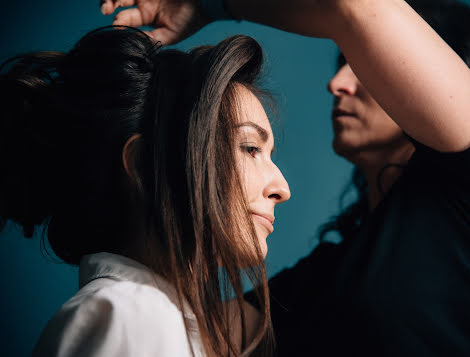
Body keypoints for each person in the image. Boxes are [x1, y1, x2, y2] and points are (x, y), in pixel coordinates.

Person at [103, 0, 470, 355]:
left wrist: (210, 4)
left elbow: (358, 7)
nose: (337, 83)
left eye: (362, 64)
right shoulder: (335, 275)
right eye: (342, 63)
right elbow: (191, 333)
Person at [0, 26, 290, 356]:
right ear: (142, 165)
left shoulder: (148, 317)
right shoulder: (132, 317)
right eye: (250, 147)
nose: (282, 188)